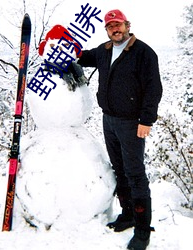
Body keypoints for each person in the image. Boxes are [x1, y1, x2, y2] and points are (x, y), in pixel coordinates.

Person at [77, 9, 162, 250]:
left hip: (132, 123)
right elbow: (82, 57)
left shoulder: (143, 52)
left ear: (127, 24)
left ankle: (143, 231)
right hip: (109, 120)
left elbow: (153, 88)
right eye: (110, 26)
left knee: (135, 173)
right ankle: (128, 214)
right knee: (119, 169)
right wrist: (57, 45)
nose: (115, 29)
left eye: (118, 24)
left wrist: (147, 120)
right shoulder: (104, 51)